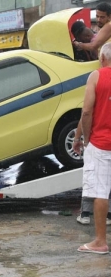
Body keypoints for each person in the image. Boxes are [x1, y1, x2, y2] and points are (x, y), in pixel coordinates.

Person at [77, 42, 111, 255]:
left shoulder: (97, 76)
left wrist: (85, 138)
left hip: (101, 144)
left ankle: (100, 241)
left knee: (100, 192)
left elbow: (87, 111)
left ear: (102, 58)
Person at [72, 121, 111, 225]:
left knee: (91, 178)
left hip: (97, 143)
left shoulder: (95, 103)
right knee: (109, 179)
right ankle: (109, 214)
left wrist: (78, 138)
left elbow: (85, 115)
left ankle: (85, 214)